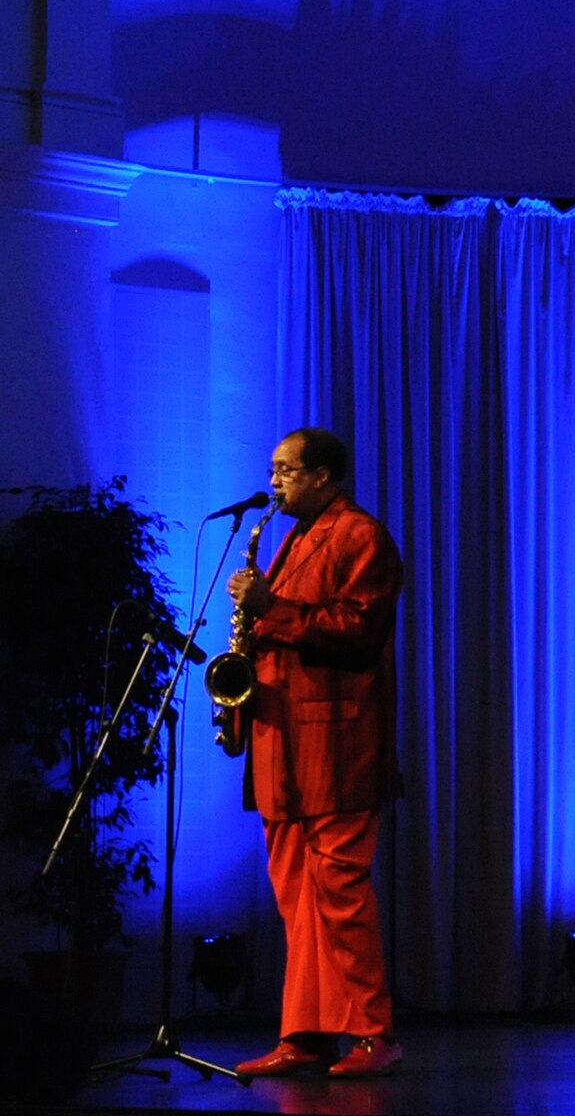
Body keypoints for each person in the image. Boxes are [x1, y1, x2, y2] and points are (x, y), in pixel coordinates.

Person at [229, 427, 404, 1080]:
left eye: (286, 470)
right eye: (272, 469)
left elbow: (359, 632)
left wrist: (269, 609)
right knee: (296, 898)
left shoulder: (360, 536)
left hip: (335, 746)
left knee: (339, 894)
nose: (274, 481)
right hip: (284, 749)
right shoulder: (293, 539)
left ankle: (374, 1034)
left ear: (325, 476)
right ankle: (305, 1034)